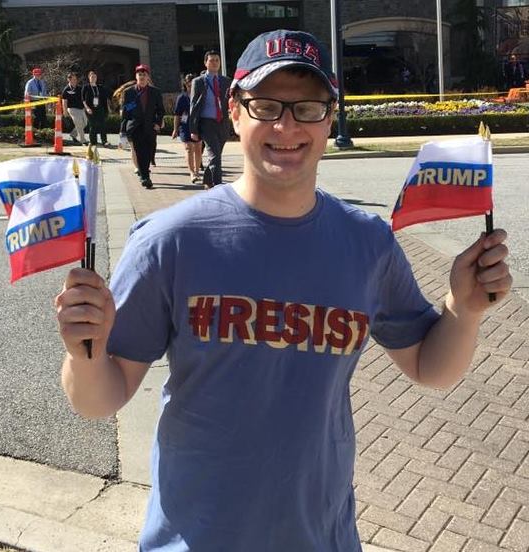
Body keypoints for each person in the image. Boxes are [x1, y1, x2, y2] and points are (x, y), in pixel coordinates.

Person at [55, 29, 512, 552]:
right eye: (267, 106)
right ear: (234, 111)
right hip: (194, 539)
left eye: (308, 108)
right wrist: (83, 354)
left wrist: (464, 307)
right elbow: (99, 398)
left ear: (330, 118)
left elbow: (430, 368)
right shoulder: (170, 242)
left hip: (321, 536)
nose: (287, 126)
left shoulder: (368, 243)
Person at [189, 50, 231, 189]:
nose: (214, 63)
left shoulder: (226, 81)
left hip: (222, 123)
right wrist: (193, 129)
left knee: (216, 156)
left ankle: (207, 180)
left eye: (217, 60)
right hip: (207, 123)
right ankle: (218, 187)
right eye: (211, 60)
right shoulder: (199, 82)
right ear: (205, 62)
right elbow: (194, 106)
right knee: (214, 157)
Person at [121, 64, 165, 189]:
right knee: (140, 152)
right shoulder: (129, 92)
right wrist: (122, 131)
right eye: (139, 75)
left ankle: (144, 171)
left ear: (148, 77)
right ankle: (145, 177)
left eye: (144, 75)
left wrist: (157, 122)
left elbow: (160, 110)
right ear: (136, 77)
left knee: (150, 150)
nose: (141, 77)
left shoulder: (155, 92)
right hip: (136, 127)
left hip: (150, 127)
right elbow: (126, 112)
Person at [172, 73, 202, 184]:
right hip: (185, 126)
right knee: (189, 148)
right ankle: (192, 172)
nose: (190, 87)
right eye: (188, 85)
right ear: (186, 84)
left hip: (198, 125)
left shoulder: (200, 95)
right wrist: (175, 129)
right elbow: (177, 114)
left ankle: (197, 171)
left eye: (192, 85)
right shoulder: (182, 97)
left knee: (198, 149)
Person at [82, 69, 110, 147]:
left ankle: (104, 141)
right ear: (89, 78)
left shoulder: (100, 87)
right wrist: (87, 108)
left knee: (102, 125)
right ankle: (93, 142)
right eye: (91, 76)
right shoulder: (86, 87)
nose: (93, 78)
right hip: (90, 109)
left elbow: (105, 99)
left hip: (100, 108)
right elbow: (83, 99)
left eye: (94, 76)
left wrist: (106, 109)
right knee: (93, 125)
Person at [62, 72, 87, 145]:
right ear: (68, 80)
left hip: (81, 109)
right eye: (73, 79)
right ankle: (83, 140)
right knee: (79, 123)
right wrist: (65, 111)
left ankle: (73, 134)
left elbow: (83, 99)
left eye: (75, 79)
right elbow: (64, 101)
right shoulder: (66, 90)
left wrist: (85, 108)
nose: (74, 81)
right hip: (72, 109)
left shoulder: (80, 88)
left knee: (85, 123)